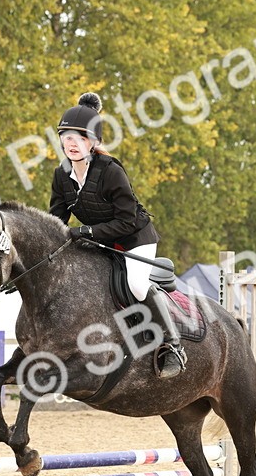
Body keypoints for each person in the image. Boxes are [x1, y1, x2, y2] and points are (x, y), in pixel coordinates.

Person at [49, 93, 186, 379]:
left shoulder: (111, 171)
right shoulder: (61, 175)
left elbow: (126, 220)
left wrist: (87, 231)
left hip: (135, 237)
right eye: (66, 137)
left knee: (136, 284)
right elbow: (57, 220)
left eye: (80, 137)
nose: (72, 144)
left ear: (93, 142)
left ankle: (171, 345)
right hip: (100, 241)